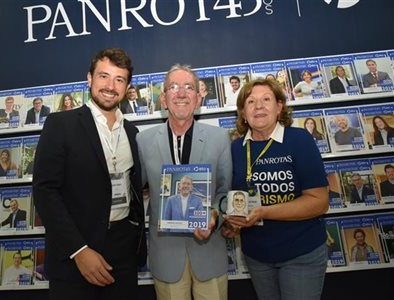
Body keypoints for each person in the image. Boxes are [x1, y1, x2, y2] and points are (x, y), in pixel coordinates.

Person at [33, 48, 146, 300]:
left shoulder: (132, 133)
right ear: (89, 79)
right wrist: (79, 250)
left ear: (127, 87)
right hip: (75, 254)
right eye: (103, 76)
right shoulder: (60, 125)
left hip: (123, 252)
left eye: (119, 79)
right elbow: (45, 192)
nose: (110, 86)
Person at [223, 78, 329, 299]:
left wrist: (264, 212)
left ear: (280, 106)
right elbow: (238, 198)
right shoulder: (236, 149)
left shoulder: (299, 140)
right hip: (257, 255)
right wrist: (233, 224)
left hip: (301, 252)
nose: (259, 106)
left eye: (266, 99)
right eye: (251, 101)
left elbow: (319, 202)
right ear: (243, 112)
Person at [137, 64, 231, 300]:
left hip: (209, 252)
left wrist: (215, 217)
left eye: (189, 87)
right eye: (174, 87)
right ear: (164, 99)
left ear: (198, 99)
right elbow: (136, 192)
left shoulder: (220, 138)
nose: (181, 93)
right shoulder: (143, 141)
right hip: (166, 257)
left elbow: (224, 192)